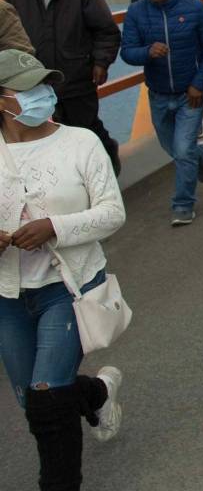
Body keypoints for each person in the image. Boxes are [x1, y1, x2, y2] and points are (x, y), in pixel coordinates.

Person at [0, 49, 126, 491]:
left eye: (44, 86)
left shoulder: (80, 142)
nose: (42, 95)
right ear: (2, 100)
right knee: (32, 401)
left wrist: (54, 227)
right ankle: (97, 393)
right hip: (8, 296)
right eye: (28, 89)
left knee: (48, 401)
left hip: (68, 287)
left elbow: (113, 213)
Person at [6, 0, 122, 170]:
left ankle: (108, 167)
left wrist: (101, 63)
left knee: (86, 131)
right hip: (36, 84)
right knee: (46, 139)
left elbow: (106, 31)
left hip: (78, 79)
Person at [120, 0, 203, 226]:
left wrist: (199, 83)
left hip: (191, 93)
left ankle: (183, 205)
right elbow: (127, 51)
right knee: (174, 148)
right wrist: (147, 51)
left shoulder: (195, 9)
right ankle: (200, 154)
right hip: (159, 94)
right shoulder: (137, 12)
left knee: (182, 148)